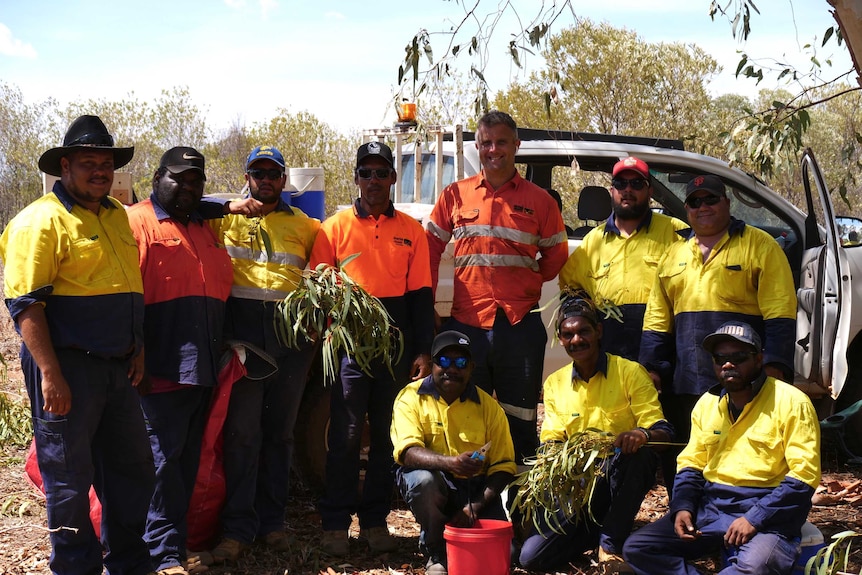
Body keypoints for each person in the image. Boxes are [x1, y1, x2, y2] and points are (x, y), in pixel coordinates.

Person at [0, 115, 156, 575]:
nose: (99, 172)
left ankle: (128, 563)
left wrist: (137, 345)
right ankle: (75, 567)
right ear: (64, 167)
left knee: (132, 472)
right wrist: (50, 374)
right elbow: (25, 304)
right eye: (88, 162)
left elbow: (129, 287)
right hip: (69, 369)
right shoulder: (39, 221)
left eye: (105, 164)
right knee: (68, 479)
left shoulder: (114, 216)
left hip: (119, 368)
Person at [311, 141, 435, 556]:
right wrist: (331, 331)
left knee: (386, 434)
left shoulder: (411, 230)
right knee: (345, 434)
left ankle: (376, 521)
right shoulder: (334, 227)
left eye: (382, 172)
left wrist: (422, 350)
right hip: (350, 344)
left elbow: (420, 295)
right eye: (366, 173)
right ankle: (334, 524)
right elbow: (319, 289)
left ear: (393, 178)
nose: (374, 180)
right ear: (357, 178)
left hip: (395, 345)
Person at [638, 174, 797, 494]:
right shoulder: (673, 253)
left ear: (726, 203)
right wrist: (652, 369)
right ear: (686, 209)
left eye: (711, 199)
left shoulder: (759, 245)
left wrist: (775, 365)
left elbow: (780, 311)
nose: (703, 206)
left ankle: (740, 520)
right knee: (687, 455)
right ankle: (685, 518)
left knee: (744, 455)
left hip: (743, 379)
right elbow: (657, 318)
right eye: (695, 202)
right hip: (688, 380)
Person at [425, 110, 569, 464]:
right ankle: (467, 496)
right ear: (478, 146)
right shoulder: (455, 196)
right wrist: (429, 301)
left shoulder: (540, 201)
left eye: (501, 142)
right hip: (467, 324)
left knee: (518, 419)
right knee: (466, 415)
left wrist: (527, 283)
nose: (494, 150)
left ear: (516, 145)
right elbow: (428, 247)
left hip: (518, 324)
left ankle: (515, 502)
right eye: (486, 143)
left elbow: (557, 254)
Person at [623, 321, 821, 575]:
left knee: (757, 566)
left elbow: (804, 476)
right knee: (640, 548)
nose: (728, 364)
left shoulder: (791, 401)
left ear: (759, 359)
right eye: (720, 358)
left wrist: (754, 518)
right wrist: (683, 506)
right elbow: (691, 463)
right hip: (713, 507)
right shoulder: (707, 404)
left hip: (768, 512)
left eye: (739, 357)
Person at [208, 145, 321, 562]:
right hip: (244, 339)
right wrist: (231, 206)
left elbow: (326, 278)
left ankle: (272, 525)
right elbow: (186, 209)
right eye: (258, 173)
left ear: (285, 180)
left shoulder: (307, 226)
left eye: (274, 173)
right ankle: (237, 528)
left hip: (290, 343)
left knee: (280, 435)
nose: (266, 180)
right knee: (240, 435)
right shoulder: (225, 219)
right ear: (247, 177)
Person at [126, 147, 234, 575]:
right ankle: (159, 554)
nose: (187, 186)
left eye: (196, 180)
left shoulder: (206, 227)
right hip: (161, 367)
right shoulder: (138, 222)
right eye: (179, 178)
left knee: (185, 461)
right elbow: (126, 294)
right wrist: (136, 351)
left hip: (202, 365)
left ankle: (174, 545)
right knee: (163, 461)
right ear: (157, 178)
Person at [517, 292, 672, 573]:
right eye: (568, 335)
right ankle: (596, 531)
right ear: (560, 339)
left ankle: (610, 544)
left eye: (583, 331)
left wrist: (643, 435)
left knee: (642, 457)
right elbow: (552, 441)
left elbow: (661, 430)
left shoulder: (630, 372)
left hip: (618, 473)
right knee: (531, 558)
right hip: (577, 484)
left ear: (599, 331)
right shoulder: (555, 383)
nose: (576, 340)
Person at [391, 330, 517, 575]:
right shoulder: (409, 398)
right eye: (444, 361)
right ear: (432, 364)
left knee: (507, 556)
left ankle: (460, 536)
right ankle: (436, 550)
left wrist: (476, 507)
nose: (451, 369)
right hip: (436, 483)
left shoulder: (489, 407)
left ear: (470, 367)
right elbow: (407, 453)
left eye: (460, 363)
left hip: (476, 490)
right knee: (422, 481)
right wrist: (451, 464)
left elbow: (504, 466)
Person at [558, 156, 687, 361]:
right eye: (620, 183)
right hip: (609, 353)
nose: (628, 189)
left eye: (636, 183)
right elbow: (570, 290)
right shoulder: (592, 242)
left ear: (650, 191)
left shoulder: (676, 232)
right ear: (612, 191)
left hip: (661, 351)